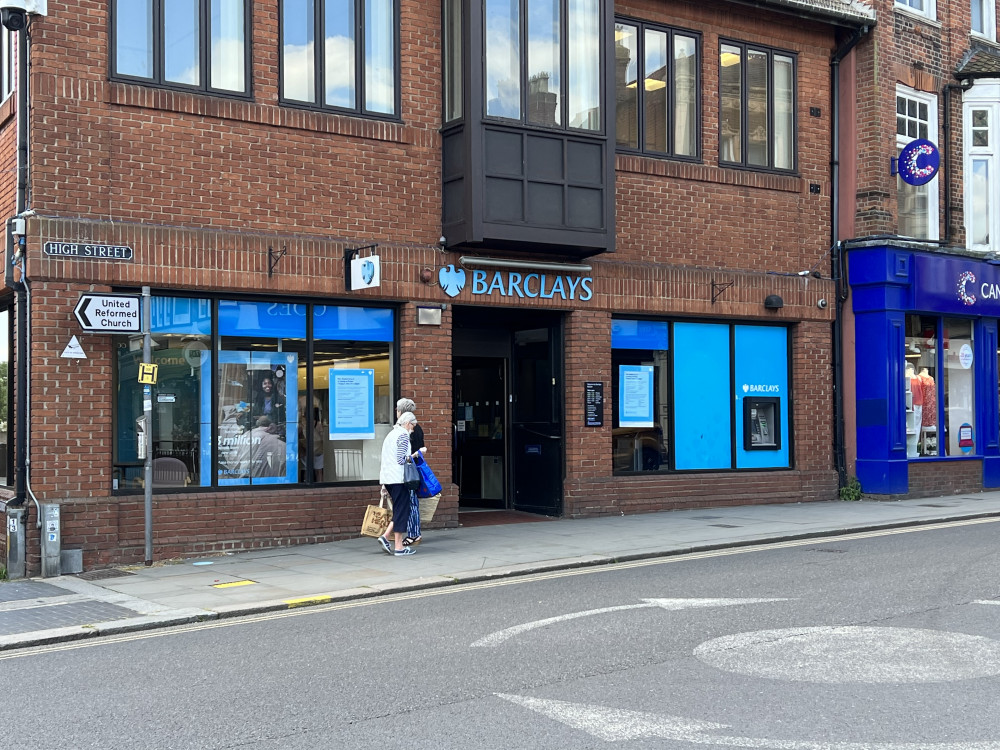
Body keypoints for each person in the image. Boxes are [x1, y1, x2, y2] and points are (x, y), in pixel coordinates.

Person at [377, 411, 419, 556]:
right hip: (398, 478)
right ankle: (399, 547)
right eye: (413, 426)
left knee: (399, 509)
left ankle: (386, 537)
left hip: (387, 478)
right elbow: (402, 459)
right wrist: (416, 455)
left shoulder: (390, 434)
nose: (413, 429)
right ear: (407, 423)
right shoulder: (403, 435)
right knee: (402, 510)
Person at [396, 397, 427, 547]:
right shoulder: (417, 427)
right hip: (412, 469)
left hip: (409, 470)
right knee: (410, 501)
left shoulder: (408, 430)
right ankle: (406, 532)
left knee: (411, 502)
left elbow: (408, 453)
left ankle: (414, 534)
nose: (396, 412)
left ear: (401, 411)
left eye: (397, 410)